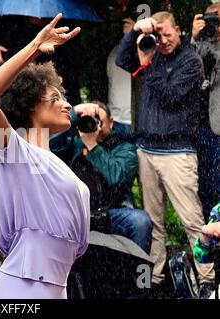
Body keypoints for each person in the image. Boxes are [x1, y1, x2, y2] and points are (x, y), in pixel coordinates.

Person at [0, 13, 90, 299]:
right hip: (22, 286)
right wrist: (34, 47)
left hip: (57, 288)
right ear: (30, 105)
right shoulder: (15, 151)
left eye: (64, 97)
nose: (66, 104)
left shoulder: (59, 164)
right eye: (55, 98)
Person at [116, 11, 215, 298]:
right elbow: (123, 59)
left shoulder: (191, 60)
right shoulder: (151, 50)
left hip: (178, 151)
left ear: (179, 30)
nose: (163, 40)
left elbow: (169, 96)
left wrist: (148, 66)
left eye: (167, 34)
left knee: (192, 220)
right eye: (158, 35)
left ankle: (208, 280)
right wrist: (136, 31)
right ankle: (156, 278)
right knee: (152, 221)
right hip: (147, 148)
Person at [50, 101, 152, 254]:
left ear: (111, 123)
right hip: (77, 215)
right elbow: (50, 144)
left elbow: (116, 177)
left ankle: (134, 275)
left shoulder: (125, 148)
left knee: (140, 221)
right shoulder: (73, 144)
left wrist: (92, 146)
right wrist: (76, 112)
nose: (93, 124)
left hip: (113, 212)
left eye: (98, 120)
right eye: (88, 120)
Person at [0, 15, 82, 104]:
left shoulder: (64, 29)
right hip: (13, 92)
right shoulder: (11, 22)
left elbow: (71, 71)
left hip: (53, 92)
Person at [191, 4, 220, 221]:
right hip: (201, 126)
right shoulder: (198, 45)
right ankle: (209, 233)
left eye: (216, 20)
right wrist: (193, 37)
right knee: (204, 185)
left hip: (218, 124)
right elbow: (189, 68)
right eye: (209, 20)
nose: (213, 25)